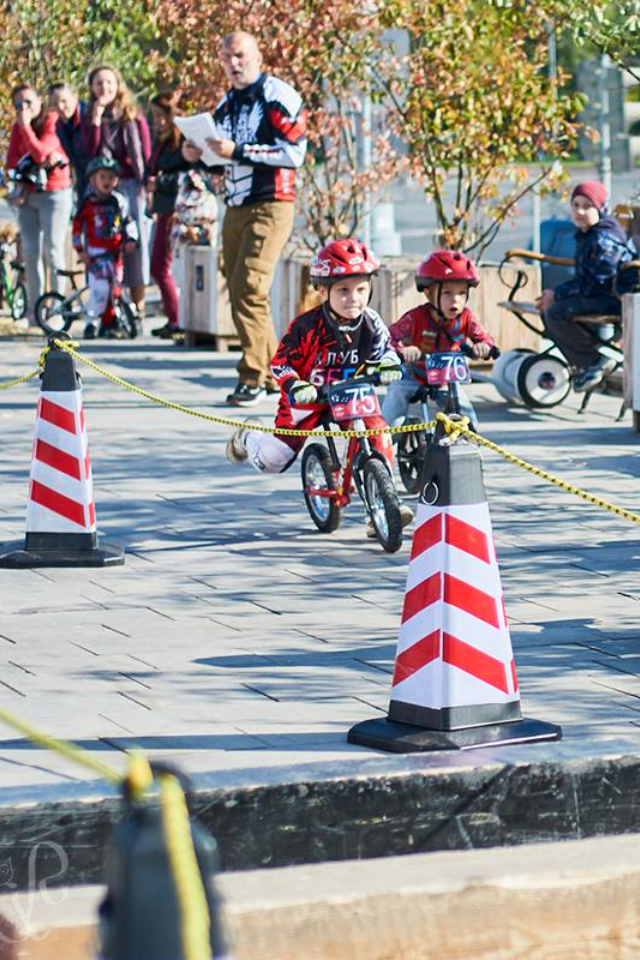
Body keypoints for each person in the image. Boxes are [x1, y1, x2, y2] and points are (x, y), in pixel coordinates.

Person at [226, 238, 413, 536]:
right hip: (310, 397)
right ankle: (248, 437)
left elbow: (386, 349)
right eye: (343, 290)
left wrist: (390, 364)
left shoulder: (371, 322)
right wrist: (295, 384)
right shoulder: (307, 327)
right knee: (273, 460)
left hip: (353, 392)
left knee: (379, 434)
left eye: (361, 289)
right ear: (323, 290)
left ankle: (382, 504)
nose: (354, 298)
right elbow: (280, 363)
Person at [182, 31, 307, 406]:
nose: (233, 63)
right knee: (237, 286)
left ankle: (252, 376)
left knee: (250, 285)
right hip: (235, 203)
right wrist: (196, 152)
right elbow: (220, 156)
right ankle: (277, 373)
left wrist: (237, 150)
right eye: (226, 57)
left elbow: (294, 153)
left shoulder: (278, 96)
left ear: (257, 56)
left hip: (272, 202)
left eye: (239, 55)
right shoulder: (226, 103)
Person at [537, 180, 635, 394]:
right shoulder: (589, 234)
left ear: (601, 208)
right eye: (575, 205)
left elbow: (597, 284)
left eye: (587, 206)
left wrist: (557, 294)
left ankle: (594, 363)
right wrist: (555, 294)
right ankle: (590, 362)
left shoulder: (603, 239)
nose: (579, 211)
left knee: (556, 313)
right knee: (550, 307)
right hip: (599, 294)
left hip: (615, 299)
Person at [382, 250, 494, 432]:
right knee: (394, 406)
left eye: (461, 293)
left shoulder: (466, 318)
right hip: (413, 375)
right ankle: (382, 446)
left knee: (468, 421)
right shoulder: (415, 317)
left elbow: (484, 338)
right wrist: (401, 351)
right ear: (428, 293)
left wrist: (484, 347)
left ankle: (467, 449)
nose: (455, 299)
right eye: (448, 293)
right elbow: (388, 338)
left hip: (445, 379)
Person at [82, 64, 151, 315]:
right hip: (103, 185)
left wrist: (146, 184)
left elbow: (144, 151)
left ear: (118, 84)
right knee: (107, 241)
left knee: (135, 239)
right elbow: (91, 150)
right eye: (99, 83)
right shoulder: (90, 114)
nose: (104, 88)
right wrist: (96, 119)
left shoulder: (132, 114)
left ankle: (139, 303)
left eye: (109, 82)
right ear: (92, 87)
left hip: (131, 182)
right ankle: (109, 302)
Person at [6, 83, 73, 323]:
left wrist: (25, 127)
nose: (23, 108)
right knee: (31, 253)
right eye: (17, 105)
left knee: (53, 251)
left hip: (55, 193)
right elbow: (12, 162)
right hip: (27, 195)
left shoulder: (51, 121)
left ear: (39, 101)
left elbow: (42, 153)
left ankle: (56, 308)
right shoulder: (17, 127)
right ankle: (35, 310)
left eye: (28, 102)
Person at [72, 156, 139, 339]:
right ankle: (91, 323)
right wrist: (80, 250)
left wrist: (132, 239)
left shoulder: (119, 202)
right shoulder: (87, 204)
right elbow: (77, 228)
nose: (107, 181)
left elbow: (129, 222)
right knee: (99, 289)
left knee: (115, 289)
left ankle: (109, 324)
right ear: (93, 180)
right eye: (102, 177)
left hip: (115, 253)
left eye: (111, 177)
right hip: (96, 253)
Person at [146, 90, 190, 340]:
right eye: (154, 116)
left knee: (161, 267)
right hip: (162, 209)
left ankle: (177, 320)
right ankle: (173, 318)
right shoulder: (161, 140)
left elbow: (187, 178)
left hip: (175, 210)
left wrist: (160, 182)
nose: (157, 121)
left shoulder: (181, 141)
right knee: (158, 267)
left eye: (161, 115)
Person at [48, 82, 89, 200]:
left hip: (103, 179)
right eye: (55, 104)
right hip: (82, 180)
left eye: (64, 101)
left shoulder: (90, 117)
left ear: (75, 96)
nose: (60, 107)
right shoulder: (59, 125)